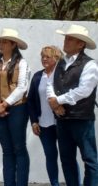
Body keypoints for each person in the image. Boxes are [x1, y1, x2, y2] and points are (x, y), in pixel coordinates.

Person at [47, 24, 98, 186]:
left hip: (82, 119)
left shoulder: (90, 64)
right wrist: (54, 104)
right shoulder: (60, 63)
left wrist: (59, 101)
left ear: (80, 44)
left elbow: (84, 90)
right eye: (66, 38)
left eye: (70, 39)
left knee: (89, 160)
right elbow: (50, 84)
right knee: (66, 159)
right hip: (63, 119)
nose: (65, 41)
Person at [0, 28, 31, 186]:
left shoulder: (21, 63)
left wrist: (5, 104)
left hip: (17, 108)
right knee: (6, 149)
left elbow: (22, 87)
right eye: (0, 41)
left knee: (19, 147)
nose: (1, 44)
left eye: (4, 42)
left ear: (13, 45)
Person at [27, 45, 62, 186]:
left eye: (48, 56)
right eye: (42, 56)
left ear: (56, 58)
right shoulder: (37, 76)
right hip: (44, 124)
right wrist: (34, 121)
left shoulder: (62, 74)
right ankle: (55, 184)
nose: (44, 59)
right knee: (50, 156)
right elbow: (31, 101)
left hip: (62, 122)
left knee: (67, 157)